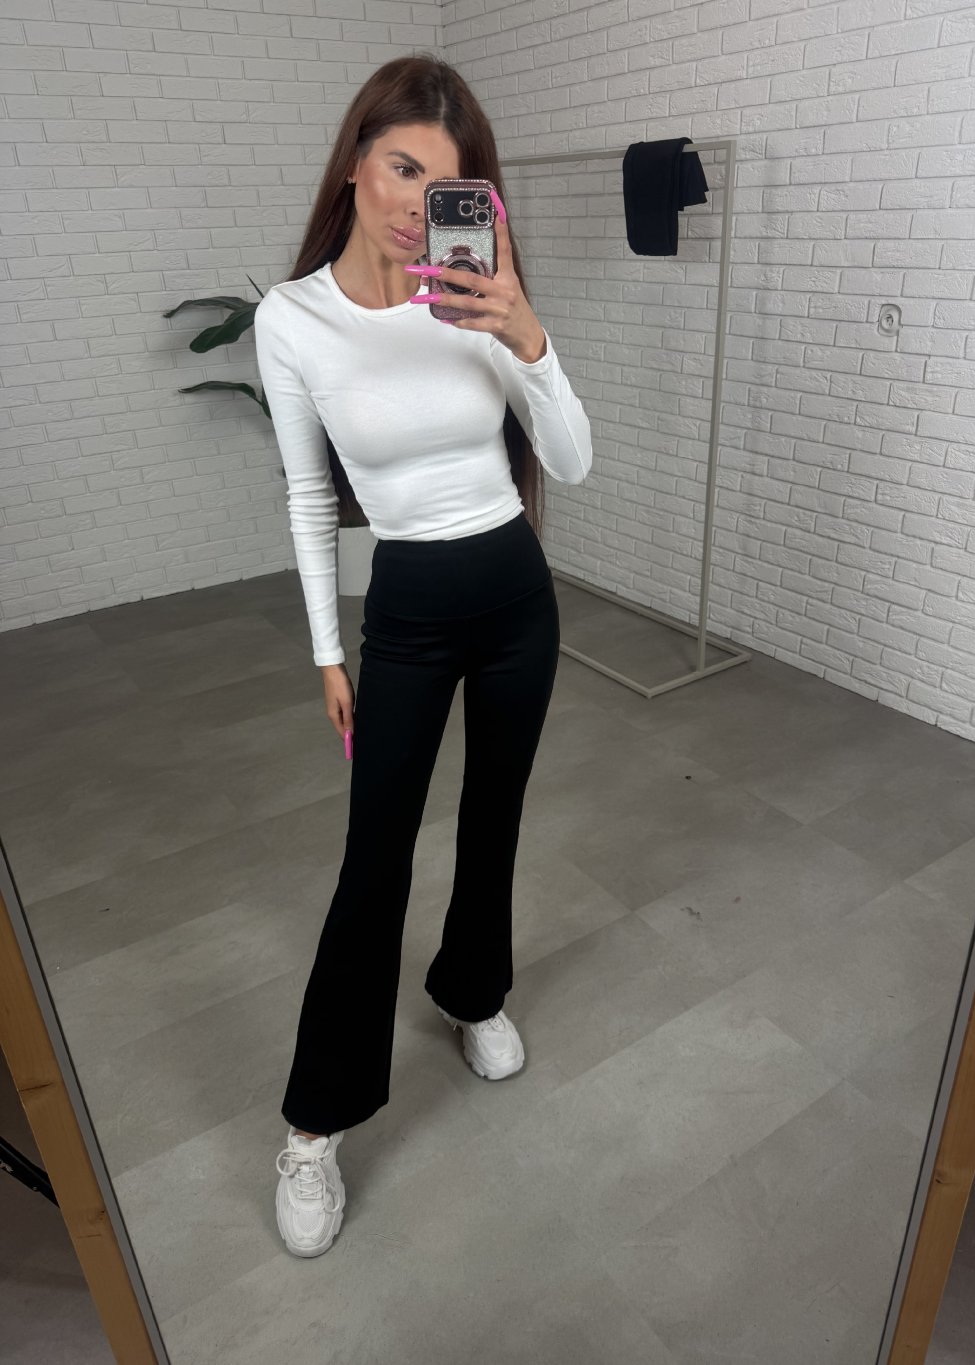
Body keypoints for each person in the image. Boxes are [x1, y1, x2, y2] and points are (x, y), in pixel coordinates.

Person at [253, 53, 592, 1259]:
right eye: (402, 167)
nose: (415, 203)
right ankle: (314, 1124)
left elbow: (572, 460)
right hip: (402, 611)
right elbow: (309, 493)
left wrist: (526, 335)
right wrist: (324, 650)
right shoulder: (292, 320)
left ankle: (472, 992)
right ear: (356, 162)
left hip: (514, 599)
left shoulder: (476, 296)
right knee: (374, 859)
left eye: (444, 182)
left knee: (493, 818)